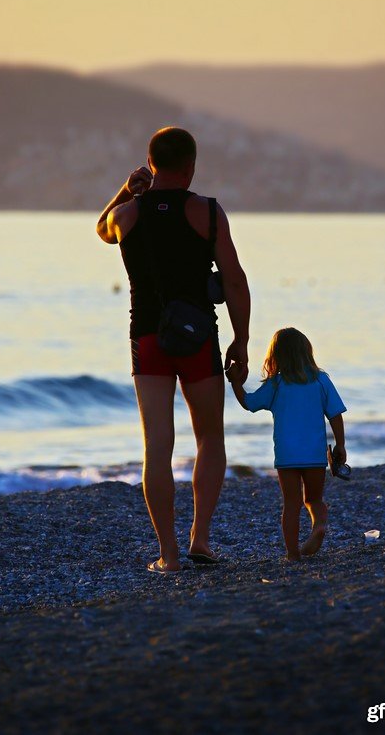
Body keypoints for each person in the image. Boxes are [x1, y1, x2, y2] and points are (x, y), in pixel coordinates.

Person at [96, 127, 250, 573]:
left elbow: (101, 231)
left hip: (147, 338)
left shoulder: (126, 214)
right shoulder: (208, 212)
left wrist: (128, 188)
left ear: (151, 162)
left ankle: (168, 554)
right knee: (210, 438)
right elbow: (235, 279)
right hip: (198, 335)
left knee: (157, 447)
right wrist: (241, 340)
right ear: (191, 167)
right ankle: (199, 539)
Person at [226, 327, 347, 562]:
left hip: (287, 456)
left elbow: (249, 403)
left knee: (291, 504)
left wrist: (234, 382)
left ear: (276, 356)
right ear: (307, 353)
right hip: (314, 454)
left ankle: (292, 554)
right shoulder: (321, 380)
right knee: (314, 500)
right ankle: (319, 525)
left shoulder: (276, 384)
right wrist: (340, 444)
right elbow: (335, 415)